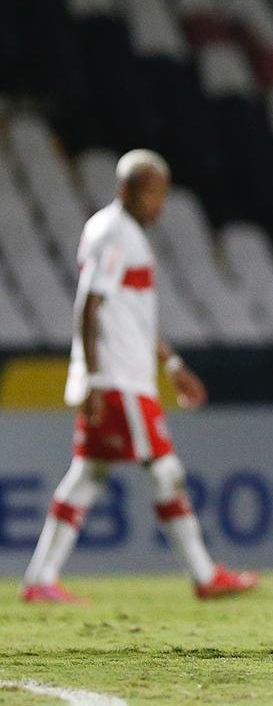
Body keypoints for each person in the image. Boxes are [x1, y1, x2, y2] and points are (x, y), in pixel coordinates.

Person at [21, 150, 258, 603]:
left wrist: (172, 365)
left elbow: (132, 317)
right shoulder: (115, 234)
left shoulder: (117, 231)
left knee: (87, 477)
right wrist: (92, 379)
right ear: (128, 190)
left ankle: (39, 580)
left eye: (163, 195)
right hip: (118, 380)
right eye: (154, 194)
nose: (160, 206)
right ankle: (205, 575)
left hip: (125, 375)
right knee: (166, 470)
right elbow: (88, 307)